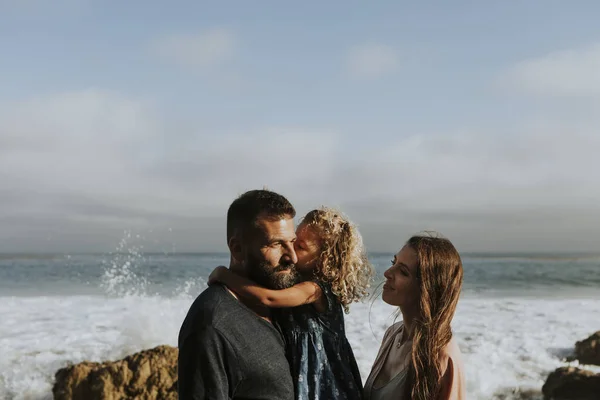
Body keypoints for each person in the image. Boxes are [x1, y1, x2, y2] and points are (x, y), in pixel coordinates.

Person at [209, 207, 375, 400]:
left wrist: (225, 275)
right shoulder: (293, 281)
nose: (291, 251)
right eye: (294, 241)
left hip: (324, 379)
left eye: (301, 246)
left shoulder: (314, 290)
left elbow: (268, 298)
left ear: (324, 259)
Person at [177, 189, 301, 400]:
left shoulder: (284, 305)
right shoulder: (211, 327)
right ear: (237, 249)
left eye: (293, 242)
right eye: (276, 244)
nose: (292, 257)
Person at [363, 232, 466, 400]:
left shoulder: (442, 355)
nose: (388, 273)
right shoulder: (393, 335)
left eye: (403, 272)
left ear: (427, 287)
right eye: (393, 262)